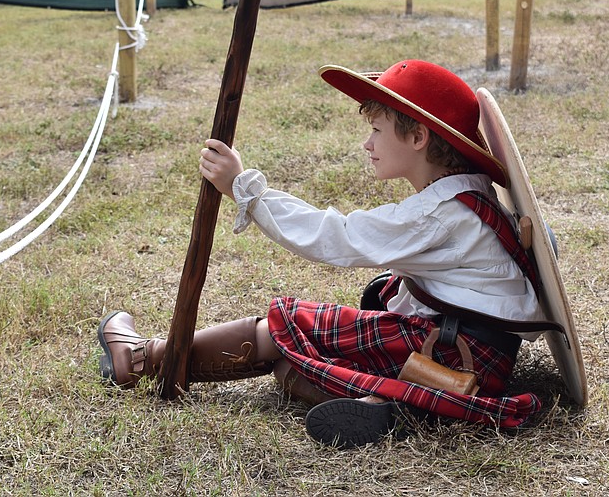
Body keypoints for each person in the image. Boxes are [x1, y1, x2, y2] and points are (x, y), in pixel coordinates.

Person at [98, 59, 545, 448]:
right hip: (479, 360)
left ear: (418, 138)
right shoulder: (471, 194)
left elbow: (335, 236)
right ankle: (396, 402)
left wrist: (244, 188)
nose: (367, 144)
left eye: (376, 130)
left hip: (451, 351)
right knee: (295, 360)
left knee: (285, 326)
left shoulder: (440, 214)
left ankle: (141, 359)